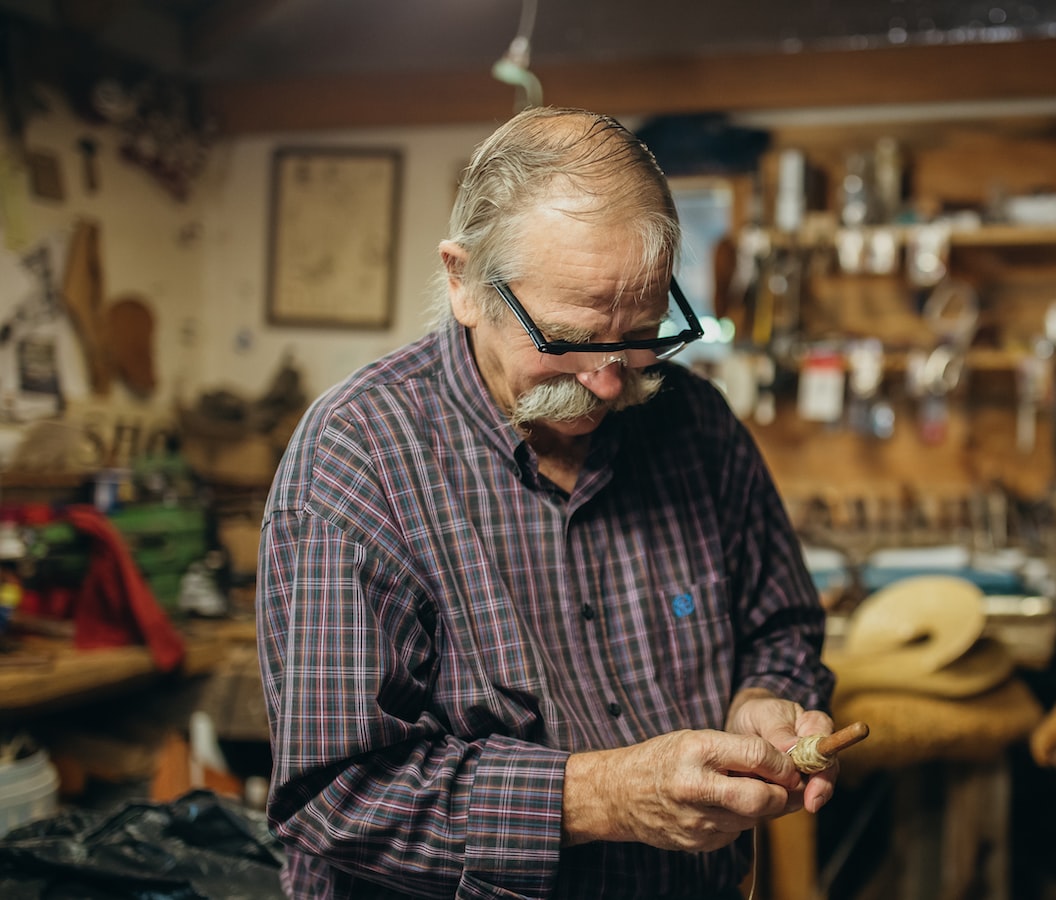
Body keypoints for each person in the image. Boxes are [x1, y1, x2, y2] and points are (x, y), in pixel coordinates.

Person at [256, 106, 837, 898]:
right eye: (568, 340)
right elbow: (337, 794)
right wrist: (605, 796)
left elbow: (781, 625)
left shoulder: (695, 426)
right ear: (463, 282)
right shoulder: (358, 456)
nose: (607, 380)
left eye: (639, 335)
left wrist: (764, 699)